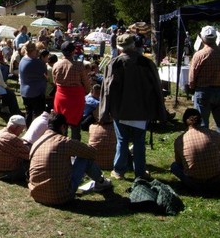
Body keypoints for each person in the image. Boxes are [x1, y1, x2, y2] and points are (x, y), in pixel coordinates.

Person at [99, 33, 166, 180]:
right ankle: (140, 172)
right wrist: (159, 110)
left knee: (122, 141)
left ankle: (119, 171)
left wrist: (104, 112)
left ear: (119, 47)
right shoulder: (146, 63)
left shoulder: (114, 64)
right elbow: (156, 86)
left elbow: (106, 91)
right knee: (139, 141)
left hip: (120, 110)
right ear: (133, 45)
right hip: (142, 110)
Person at [28, 112, 112, 206]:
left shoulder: (37, 142)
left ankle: (100, 182)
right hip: (61, 197)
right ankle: (101, 182)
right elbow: (91, 152)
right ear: (63, 127)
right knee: (84, 157)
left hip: (37, 194)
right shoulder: (64, 142)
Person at [171, 108, 220, 192]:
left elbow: (179, 163)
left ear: (184, 122)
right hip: (216, 182)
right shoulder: (214, 134)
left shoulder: (180, 140)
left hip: (194, 184)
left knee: (174, 166)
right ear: (200, 120)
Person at [52, 41, 90, 140]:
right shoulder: (79, 65)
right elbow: (86, 82)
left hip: (61, 97)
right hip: (76, 98)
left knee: (60, 123)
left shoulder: (56, 65)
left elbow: (54, 81)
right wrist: (87, 91)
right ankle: (75, 148)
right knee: (76, 126)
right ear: (73, 52)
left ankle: (60, 144)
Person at [188, 25, 220, 131]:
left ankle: (205, 146)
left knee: (202, 123)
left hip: (203, 91)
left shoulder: (199, 55)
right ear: (215, 38)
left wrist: (192, 88)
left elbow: (192, 77)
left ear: (202, 39)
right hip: (218, 90)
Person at [0, 115, 30, 182]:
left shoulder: (0, 132)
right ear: (16, 127)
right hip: (9, 174)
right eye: (21, 129)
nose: (21, 132)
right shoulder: (12, 138)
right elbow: (30, 155)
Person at [18, 42, 47, 126]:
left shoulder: (23, 59)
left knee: (29, 112)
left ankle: (27, 129)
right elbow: (45, 75)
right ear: (34, 50)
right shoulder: (37, 62)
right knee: (38, 114)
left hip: (25, 91)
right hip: (36, 92)